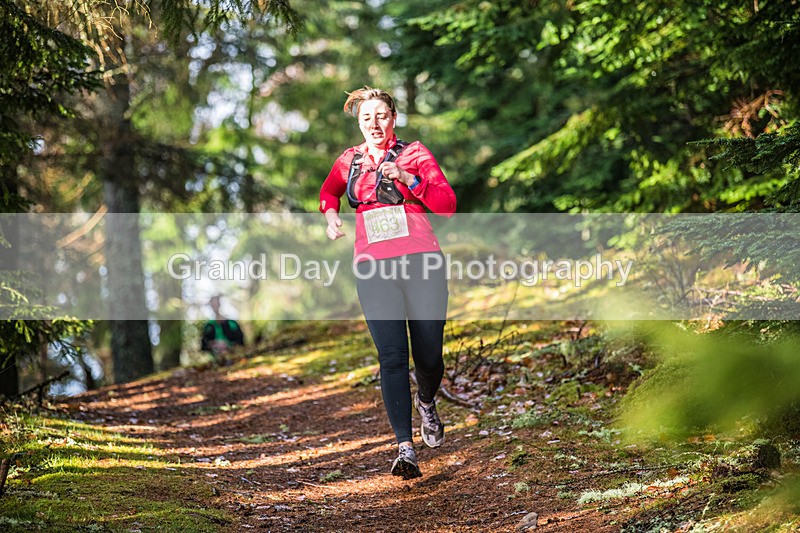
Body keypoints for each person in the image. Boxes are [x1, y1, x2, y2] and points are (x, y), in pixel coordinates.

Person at [319, 86, 457, 479]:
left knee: (429, 354)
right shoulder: (349, 161)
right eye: (366, 118)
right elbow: (328, 193)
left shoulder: (415, 154)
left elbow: (447, 205)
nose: (374, 123)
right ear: (360, 124)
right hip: (373, 267)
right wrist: (331, 217)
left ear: (393, 118)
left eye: (381, 116)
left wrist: (410, 179)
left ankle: (427, 400)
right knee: (392, 356)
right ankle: (405, 447)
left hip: (422, 262)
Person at [201, 295, 244, 362]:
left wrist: (228, 345)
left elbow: (240, 340)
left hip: (232, 355)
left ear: (219, 304)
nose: (214, 306)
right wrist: (212, 344)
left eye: (216, 303)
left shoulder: (231, 323)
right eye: (212, 304)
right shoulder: (209, 326)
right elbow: (204, 343)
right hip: (215, 357)